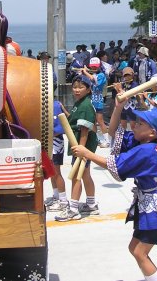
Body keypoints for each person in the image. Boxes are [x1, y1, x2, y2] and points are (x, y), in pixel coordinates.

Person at [71, 99, 157, 281]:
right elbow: (112, 133)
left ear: (152, 132)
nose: (134, 124)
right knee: (134, 249)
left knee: (139, 252)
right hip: (151, 204)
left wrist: (87, 154)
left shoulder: (146, 151)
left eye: (140, 123)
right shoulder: (144, 144)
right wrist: (118, 106)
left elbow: (114, 166)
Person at [56, 75, 99, 221]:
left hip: (83, 144)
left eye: (81, 87)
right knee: (85, 174)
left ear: (88, 89)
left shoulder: (85, 105)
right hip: (82, 145)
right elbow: (74, 121)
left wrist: (81, 150)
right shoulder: (80, 103)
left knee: (77, 175)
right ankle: (92, 205)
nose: (77, 90)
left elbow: (84, 129)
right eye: (75, 87)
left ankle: (73, 209)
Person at [45, 98, 70, 212]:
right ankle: (56, 196)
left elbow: (60, 128)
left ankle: (63, 201)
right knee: (51, 172)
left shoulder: (55, 105)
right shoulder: (45, 104)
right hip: (48, 142)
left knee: (56, 172)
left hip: (56, 143)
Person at [83, 57, 110, 148]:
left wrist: (86, 72)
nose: (94, 68)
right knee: (92, 122)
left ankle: (107, 140)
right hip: (91, 100)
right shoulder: (93, 74)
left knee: (100, 121)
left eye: (95, 67)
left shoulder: (102, 75)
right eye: (92, 67)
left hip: (98, 100)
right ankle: (97, 139)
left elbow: (94, 79)